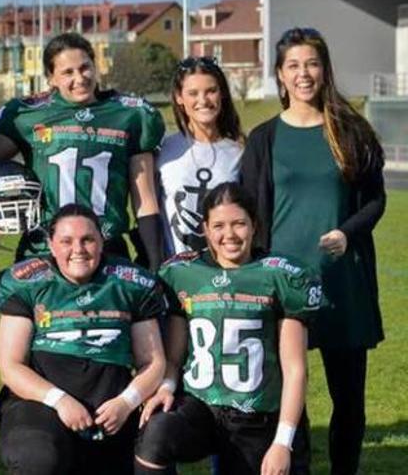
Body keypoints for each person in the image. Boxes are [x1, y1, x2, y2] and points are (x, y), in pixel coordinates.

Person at [239, 27, 386, 475]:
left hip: (343, 281)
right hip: (284, 288)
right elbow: (249, 208)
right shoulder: (264, 138)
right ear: (280, 76)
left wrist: (347, 232)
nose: (304, 74)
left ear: (324, 70)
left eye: (312, 64)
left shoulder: (351, 129)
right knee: (289, 398)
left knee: (349, 401)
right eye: (294, 66)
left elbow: (376, 200)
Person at [135, 183, 320, 474]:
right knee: (156, 433)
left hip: (256, 418)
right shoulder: (183, 274)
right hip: (201, 410)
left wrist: (283, 442)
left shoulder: (280, 275)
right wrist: (167, 387)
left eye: (239, 224)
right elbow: (174, 357)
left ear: (254, 226)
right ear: (205, 229)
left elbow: (296, 369)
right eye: (219, 225)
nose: (229, 235)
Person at [0, 203, 166, 473]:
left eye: (88, 240)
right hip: (40, 405)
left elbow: (153, 362)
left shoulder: (130, 283)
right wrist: (59, 400)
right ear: (50, 245)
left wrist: (126, 402)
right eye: (66, 241)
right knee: (38, 457)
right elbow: (10, 366)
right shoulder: (28, 282)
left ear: (101, 241)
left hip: (112, 409)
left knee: (155, 442)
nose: (78, 250)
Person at [0, 32, 166, 269]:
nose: (79, 78)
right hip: (44, 248)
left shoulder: (130, 114)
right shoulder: (28, 115)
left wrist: (154, 260)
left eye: (85, 67)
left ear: (95, 66)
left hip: (105, 247)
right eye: (67, 72)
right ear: (51, 78)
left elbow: (145, 198)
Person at [156, 57, 244, 256]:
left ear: (222, 94)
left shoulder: (239, 152)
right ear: (179, 97)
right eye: (193, 93)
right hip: (176, 267)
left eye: (211, 91)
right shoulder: (164, 150)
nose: (203, 101)